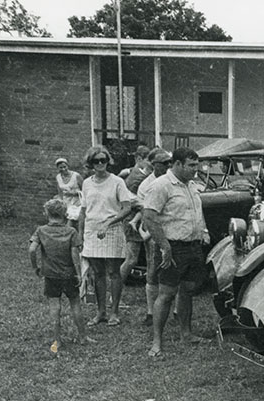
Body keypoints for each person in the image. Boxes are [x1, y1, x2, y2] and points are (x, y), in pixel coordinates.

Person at [141, 146, 210, 357]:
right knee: (167, 293)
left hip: (193, 246)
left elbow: (198, 212)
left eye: (196, 166)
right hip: (172, 247)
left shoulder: (192, 186)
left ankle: (186, 334)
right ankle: (157, 343)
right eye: (191, 166)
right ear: (177, 164)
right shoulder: (161, 186)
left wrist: (204, 231)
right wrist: (165, 246)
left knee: (188, 290)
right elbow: (149, 217)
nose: (195, 170)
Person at [78, 145, 137, 327]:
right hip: (92, 230)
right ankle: (101, 312)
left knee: (114, 272)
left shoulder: (117, 181)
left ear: (108, 161)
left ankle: (114, 312)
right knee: (97, 273)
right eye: (97, 161)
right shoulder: (87, 183)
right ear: (91, 163)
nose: (101, 163)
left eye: (104, 160)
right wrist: (80, 234)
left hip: (112, 228)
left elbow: (127, 208)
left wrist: (109, 223)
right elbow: (83, 210)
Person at [28, 199, 94, 353]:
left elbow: (32, 250)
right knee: (75, 305)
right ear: (65, 214)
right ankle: (83, 337)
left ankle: (57, 340)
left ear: (46, 213)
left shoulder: (41, 230)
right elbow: (74, 255)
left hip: (50, 275)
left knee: (55, 308)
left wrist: (35, 267)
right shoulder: (71, 232)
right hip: (68, 274)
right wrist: (78, 274)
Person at [133, 148, 172, 326]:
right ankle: (151, 312)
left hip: (173, 230)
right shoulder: (146, 185)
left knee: (175, 271)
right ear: (153, 164)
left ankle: (177, 311)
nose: (167, 166)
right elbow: (145, 211)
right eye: (163, 163)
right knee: (153, 270)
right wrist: (149, 233)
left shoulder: (173, 180)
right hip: (155, 232)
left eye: (168, 163)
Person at [54, 157, 84, 226]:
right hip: (66, 202)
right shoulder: (58, 177)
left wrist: (75, 193)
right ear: (58, 168)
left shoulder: (76, 176)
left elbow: (85, 190)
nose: (63, 169)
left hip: (77, 203)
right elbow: (60, 192)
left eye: (65, 167)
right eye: (60, 167)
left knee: (70, 222)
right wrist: (60, 203)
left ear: (68, 166)